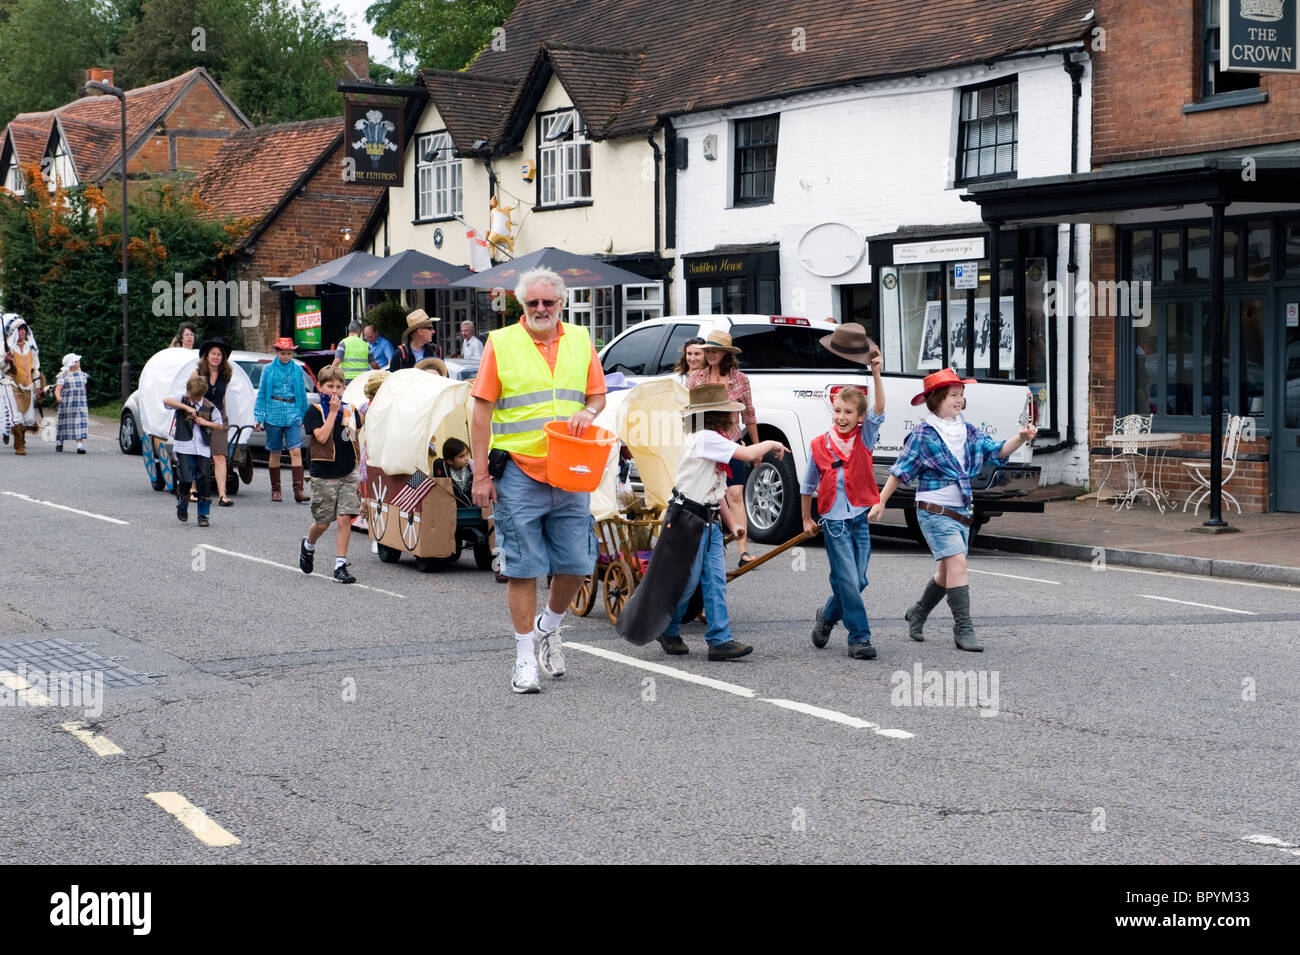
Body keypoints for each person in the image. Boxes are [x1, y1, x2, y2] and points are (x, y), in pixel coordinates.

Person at [470, 266, 607, 695]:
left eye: (548, 302)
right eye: (533, 303)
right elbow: (480, 412)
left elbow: (597, 395)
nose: (541, 309)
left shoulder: (582, 340)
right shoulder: (502, 342)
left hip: (571, 469)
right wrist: (479, 474)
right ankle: (524, 658)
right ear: (521, 305)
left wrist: (590, 411)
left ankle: (549, 627)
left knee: (578, 564)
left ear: (561, 304)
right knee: (523, 567)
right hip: (518, 474)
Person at [869, 368, 1037, 652]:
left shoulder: (968, 431)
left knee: (947, 573)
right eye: (953, 395)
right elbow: (899, 471)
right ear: (936, 400)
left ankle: (918, 612)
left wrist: (1021, 437)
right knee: (958, 564)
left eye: (961, 395)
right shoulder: (923, 435)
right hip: (933, 510)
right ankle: (963, 628)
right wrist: (881, 501)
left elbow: (997, 450)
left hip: (962, 510)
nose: (959, 400)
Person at [616, 384, 789, 660]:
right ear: (716, 416)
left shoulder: (713, 442)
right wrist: (774, 443)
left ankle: (720, 639)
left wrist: (732, 525)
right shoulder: (705, 439)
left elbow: (717, 492)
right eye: (730, 415)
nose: (735, 420)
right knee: (688, 580)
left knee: (715, 581)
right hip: (688, 519)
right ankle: (669, 629)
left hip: (707, 521)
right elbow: (747, 454)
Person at [801, 377, 885, 659]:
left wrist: (876, 373)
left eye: (849, 412)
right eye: (837, 411)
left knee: (859, 581)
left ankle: (827, 614)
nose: (841, 417)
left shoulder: (865, 437)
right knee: (848, 580)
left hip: (860, 518)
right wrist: (805, 519)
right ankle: (859, 638)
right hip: (834, 523)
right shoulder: (819, 444)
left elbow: (880, 409)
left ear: (860, 417)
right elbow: (807, 486)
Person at [688, 331, 760, 565]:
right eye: (707, 350)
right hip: (708, 443)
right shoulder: (697, 378)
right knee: (709, 495)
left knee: (735, 493)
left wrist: (757, 447)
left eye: (714, 350)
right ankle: (707, 545)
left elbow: (749, 414)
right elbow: (691, 414)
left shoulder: (740, 379)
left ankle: (743, 550)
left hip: (731, 443)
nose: (709, 354)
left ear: (726, 354)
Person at [299, 364, 363, 584]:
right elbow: (323, 438)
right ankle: (308, 545)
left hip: (347, 472)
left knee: (345, 518)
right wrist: (333, 413)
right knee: (323, 523)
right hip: (323, 474)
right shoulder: (314, 411)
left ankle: (340, 565)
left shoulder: (350, 410)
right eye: (329, 386)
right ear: (319, 386)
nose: (334, 391)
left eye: (338, 386)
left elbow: (356, 435)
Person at [163, 375, 225, 527]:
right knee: (185, 478)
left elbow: (220, 425)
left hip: (202, 448)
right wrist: (186, 407)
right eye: (193, 397)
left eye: (198, 398)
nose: (195, 400)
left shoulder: (209, 405)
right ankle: (182, 504)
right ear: (188, 392)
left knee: (204, 479)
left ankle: (203, 514)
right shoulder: (183, 399)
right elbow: (166, 401)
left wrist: (205, 422)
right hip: (184, 445)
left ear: (203, 394)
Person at [253, 337, 309, 503]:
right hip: (273, 412)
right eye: (283, 353)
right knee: (275, 451)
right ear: (276, 352)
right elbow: (262, 394)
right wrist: (258, 417)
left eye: (289, 353)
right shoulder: (268, 369)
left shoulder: (297, 370)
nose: (286, 356)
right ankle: (275, 489)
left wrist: (304, 414)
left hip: (292, 411)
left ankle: (298, 490)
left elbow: (302, 394)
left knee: (296, 450)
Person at [194, 340, 235, 506]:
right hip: (200, 415)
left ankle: (222, 494)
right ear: (207, 356)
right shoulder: (197, 373)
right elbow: (191, 395)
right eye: (213, 354)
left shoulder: (226, 375)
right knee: (199, 454)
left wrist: (223, 418)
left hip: (218, 417)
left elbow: (223, 398)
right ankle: (193, 489)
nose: (216, 357)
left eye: (219, 355)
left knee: (219, 456)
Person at [2, 320, 42, 455]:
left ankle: (21, 439)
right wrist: (5, 360)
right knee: (16, 415)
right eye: (20, 329)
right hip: (11, 384)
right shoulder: (7, 347)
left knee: (28, 418)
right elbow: (1, 366)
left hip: (28, 386)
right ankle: (19, 445)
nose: (23, 331)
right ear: (15, 332)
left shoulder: (31, 349)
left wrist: (38, 387)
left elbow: (35, 369)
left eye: (25, 329)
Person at [54, 353, 89, 454]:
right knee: (64, 422)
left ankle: (79, 446)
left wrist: (84, 398)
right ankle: (60, 442)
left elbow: (84, 388)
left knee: (80, 422)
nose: (78, 362)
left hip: (80, 404)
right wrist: (58, 397)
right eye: (76, 361)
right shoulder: (63, 376)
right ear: (71, 363)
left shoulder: (82, 375)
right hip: (68, 404)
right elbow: (57, 389)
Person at [434, 437, 473, 505]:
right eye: (461, 456)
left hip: (474, 509)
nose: (467, 458)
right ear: (449, 461)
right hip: (453, 511)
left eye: (467, 453)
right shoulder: (442, 471)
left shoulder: (472, 468)